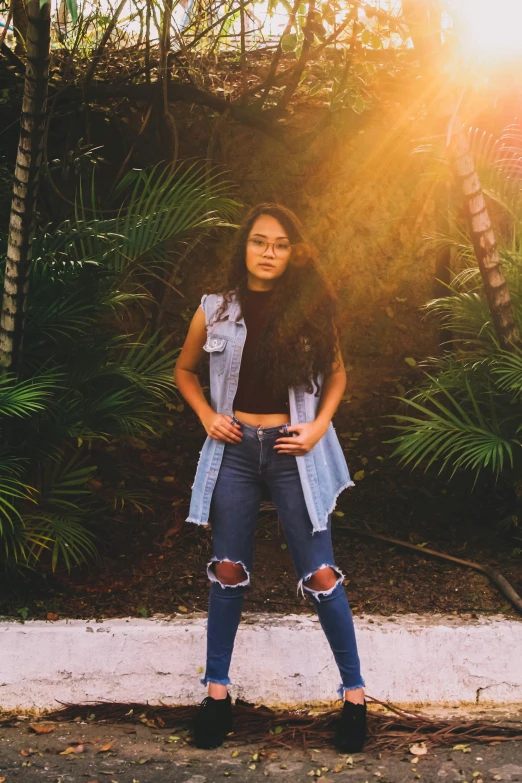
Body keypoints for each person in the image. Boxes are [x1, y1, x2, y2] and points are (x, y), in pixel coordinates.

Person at [174, 203, 366, 752]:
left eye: (280, 245)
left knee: (322, 574)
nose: (268, 252)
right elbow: (185, 370)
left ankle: (354, 699)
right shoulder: (214, 310)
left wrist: (318, 427)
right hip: (234, 449)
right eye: (260, 242)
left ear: (292, 253)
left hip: (292, 450)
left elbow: (337, 373)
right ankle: (216, 695)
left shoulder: (310, 311)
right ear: (245, 247)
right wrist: (209, 415)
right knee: (228, 570)